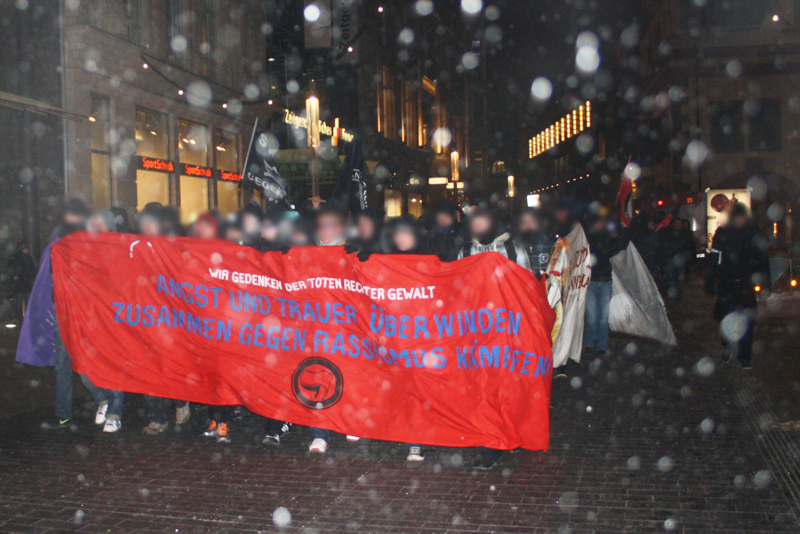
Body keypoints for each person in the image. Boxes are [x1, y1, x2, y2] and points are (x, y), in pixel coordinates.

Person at [458, 205, 530, 470]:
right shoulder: (465, 251)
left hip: (507, 332)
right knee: (483, 390)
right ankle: (489, 445)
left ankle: (508, 435)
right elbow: (457, 289)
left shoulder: (514, 250)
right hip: (477, 333)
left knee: (507, 389)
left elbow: (527, 290)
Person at [42, 198, 91, 430]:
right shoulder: (58, 238)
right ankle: (63, 411)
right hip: (63, 309)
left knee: (86, 360)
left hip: (83, 309)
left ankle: (104, 400)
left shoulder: (88, 238)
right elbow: (51, 271)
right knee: (63, 362)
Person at [706, 203, 770, 369]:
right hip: (727, 285)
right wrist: (711, 280)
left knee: (748, 321)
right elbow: (714, 260)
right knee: (726, 319)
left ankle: (745, 356)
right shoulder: (723, 233)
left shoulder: (753, 234)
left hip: (746, 285)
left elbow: (763, 261)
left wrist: (766, 283)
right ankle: (727, 345)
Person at [79, 210, 125, 432]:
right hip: (91, 318)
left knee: (114, 365)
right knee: (83, 365)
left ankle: (115, 412)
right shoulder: (86, 249)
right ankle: (103, 400)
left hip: (113, 317)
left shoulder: (118, 249)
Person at [583, 212, 628, 357]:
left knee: (603, 317)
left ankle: (601, 345)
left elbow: (621, 246)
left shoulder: (606, 238)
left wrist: (620, 234)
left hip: (605, 281)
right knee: (591, 316)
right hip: (591, 281)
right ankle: (589, 343)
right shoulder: (588, 238)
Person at [6, 241, 37, 323]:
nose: (27, 250)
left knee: (27, 304)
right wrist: (14, 276)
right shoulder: (15, 259)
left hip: (26, 285)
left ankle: (26, 321)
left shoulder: (28, 258)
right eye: (25, 248)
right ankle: (20, 320)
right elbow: (10, 270)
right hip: (19, 286)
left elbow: (32, 270)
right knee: (19, 304)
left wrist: (29, 278)